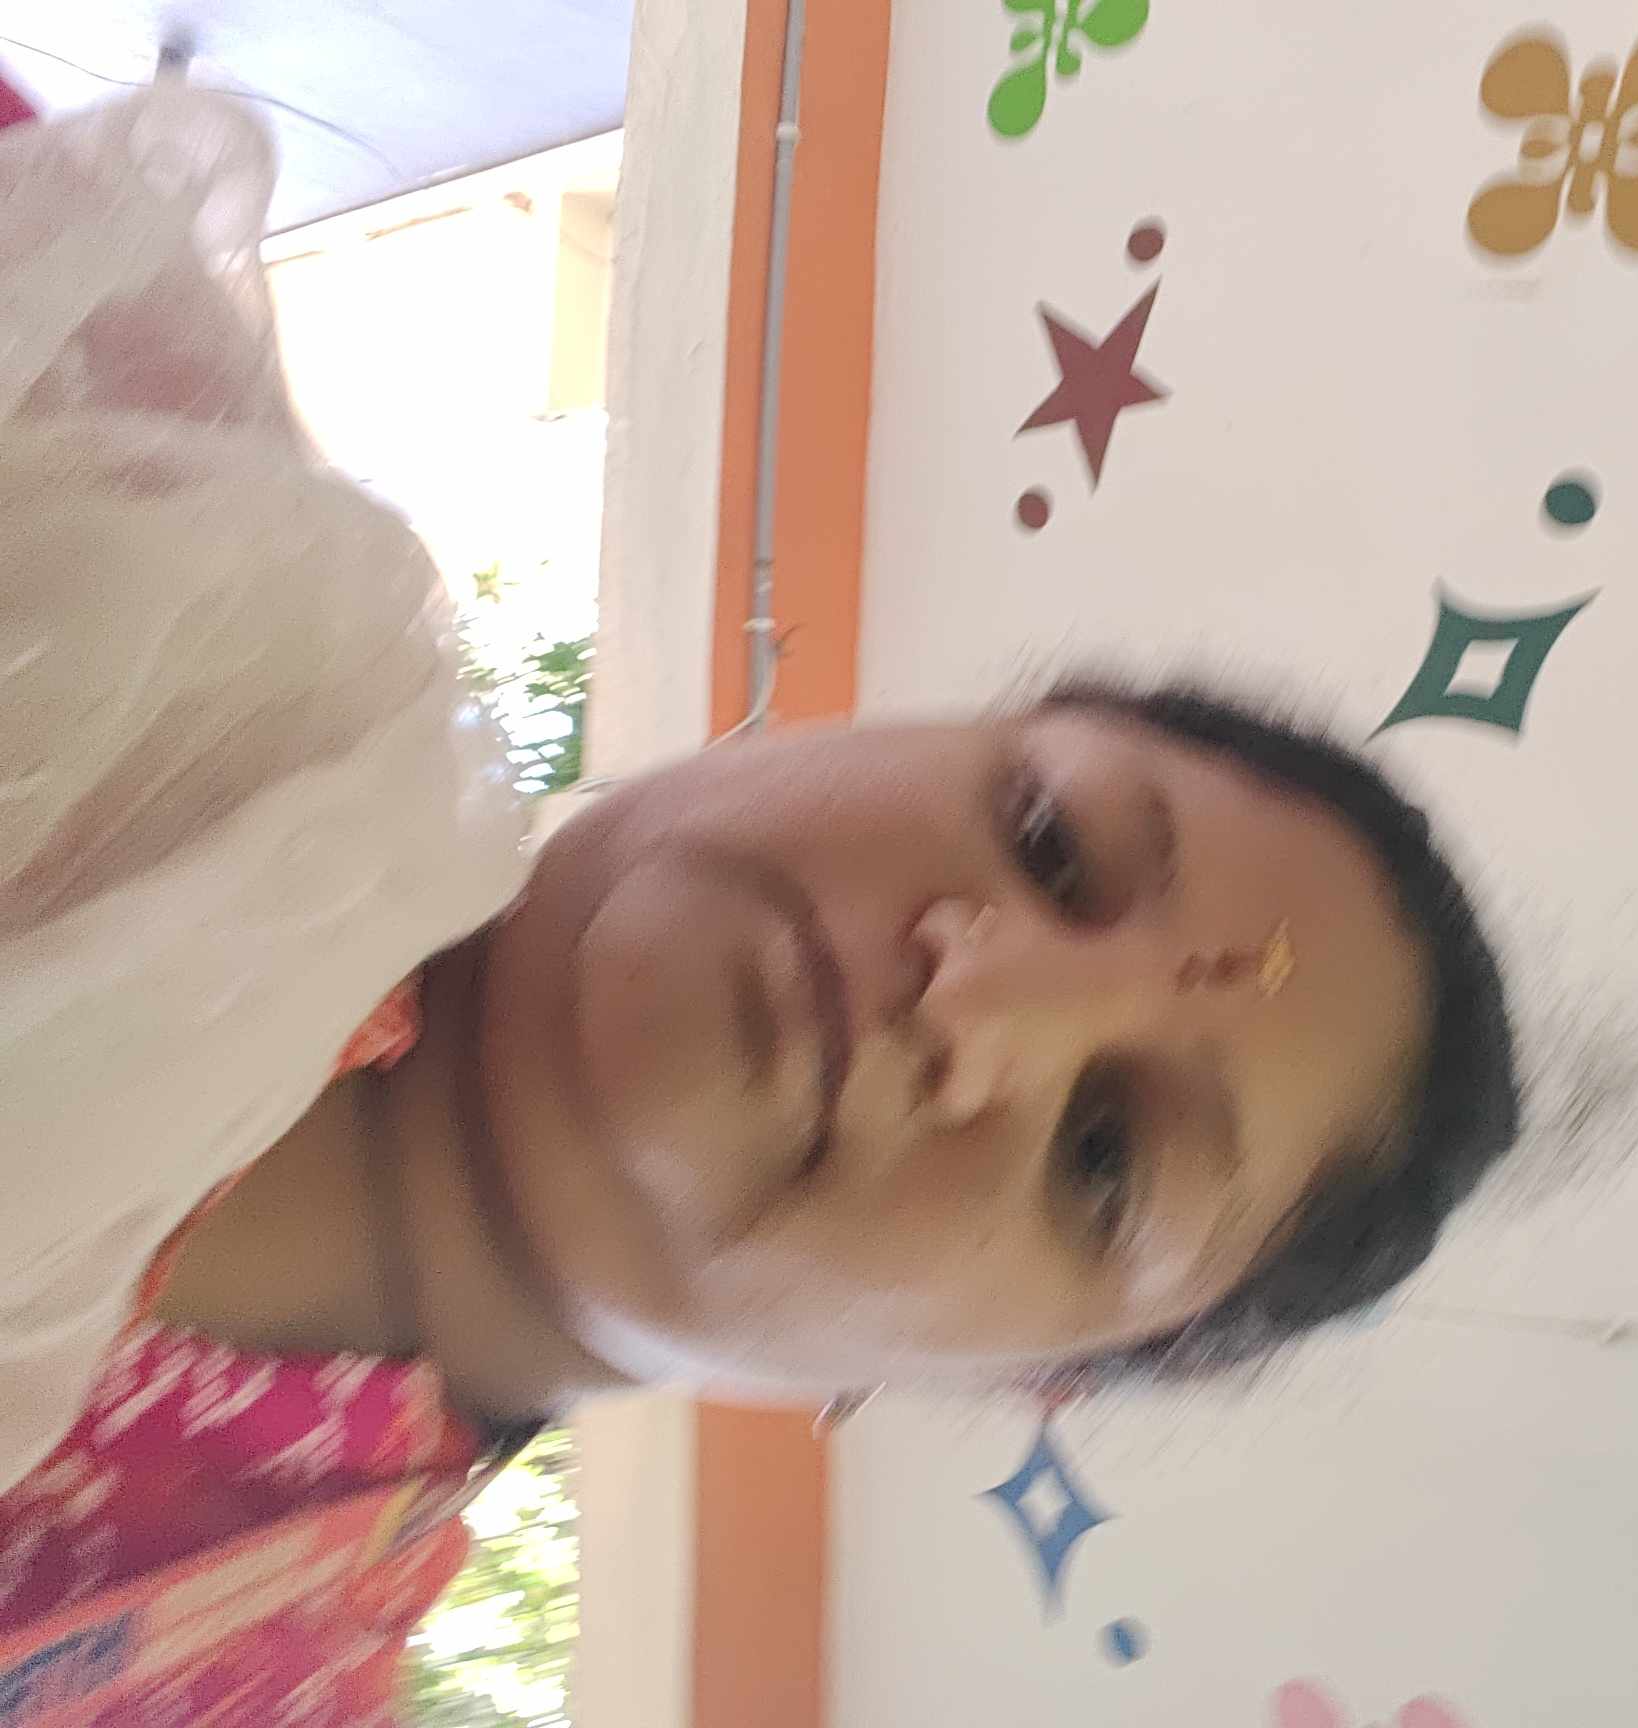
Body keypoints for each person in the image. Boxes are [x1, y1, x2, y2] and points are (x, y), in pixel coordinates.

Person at [0, 82, 1521, 1724]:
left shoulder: (216, 1684)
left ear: (1011, 1384)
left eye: (1103, 1155)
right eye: (1050, 842)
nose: (977, 998)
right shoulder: (100, 412)